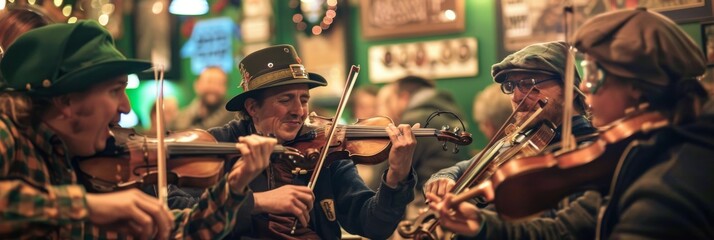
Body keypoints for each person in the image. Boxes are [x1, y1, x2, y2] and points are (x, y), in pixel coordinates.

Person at [430, 8, 714, 239]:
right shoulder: (636, 151)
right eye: (511, 87)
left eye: (594, 76)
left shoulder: (666, 183)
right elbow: (567, 228)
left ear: (637, 88)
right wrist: (482, 226)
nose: (587, 88)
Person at [0, 21, 272, 239]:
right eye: (115, 91)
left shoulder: (69, 154)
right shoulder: (7, 129)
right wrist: (88, 207)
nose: (126, 108)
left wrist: (235, 184)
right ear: (66, 101)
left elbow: (176, 229)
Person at [208, 44, 419, 239]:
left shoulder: (324, 149)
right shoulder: (219, 144)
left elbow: (373, 225)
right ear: (252, 107)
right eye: (285, 100)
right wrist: (256, 202)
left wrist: (396, 176)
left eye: (304, 100)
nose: (299, 112)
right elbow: (181, 206)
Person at [424, 41, 595, 198]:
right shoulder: (523, 140)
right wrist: (444, 178)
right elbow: (464, 168)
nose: (516, 96)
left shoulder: (587, 151)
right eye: (511, 86)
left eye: (529, 83)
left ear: (569, 91)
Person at [374, 75, 469, 220]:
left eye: (388, 102)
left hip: (428, 207)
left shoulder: (414, 121)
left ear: (404, 98)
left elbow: (380, 181)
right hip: (455, 202)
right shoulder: (449, 113)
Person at [170, 66, 235, 130]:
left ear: (225, 88)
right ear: (197, 85)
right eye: (209, 81)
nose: (213, 87)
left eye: (219, 83)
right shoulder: (180, 118)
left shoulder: (234, 116)